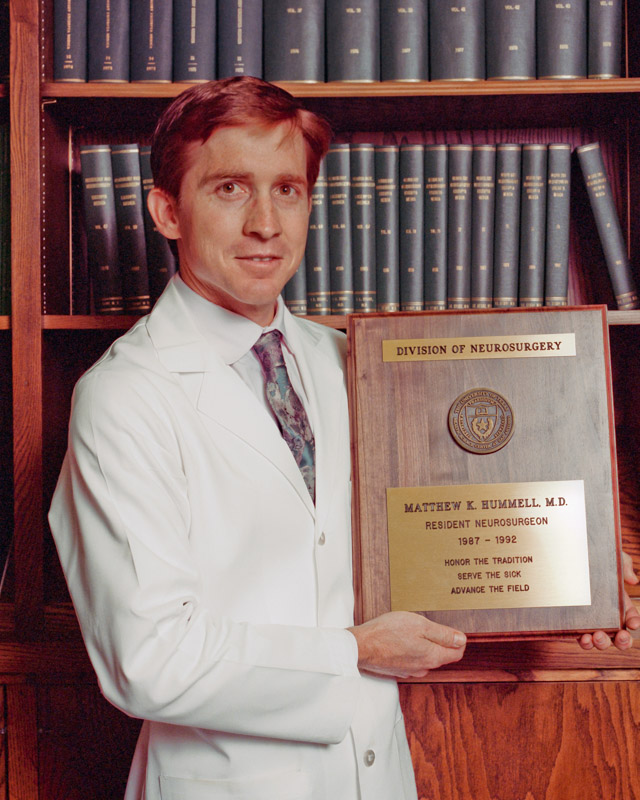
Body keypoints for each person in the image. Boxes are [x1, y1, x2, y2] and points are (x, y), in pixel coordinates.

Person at [49, 77, 639, 800]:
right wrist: (353, 653)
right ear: (167, 211)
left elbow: (443, 536)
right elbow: (148, 658)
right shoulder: (123, 397)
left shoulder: (354, 365)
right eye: (231, 188)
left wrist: (576, 584)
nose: (266, 222)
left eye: (288, 190)